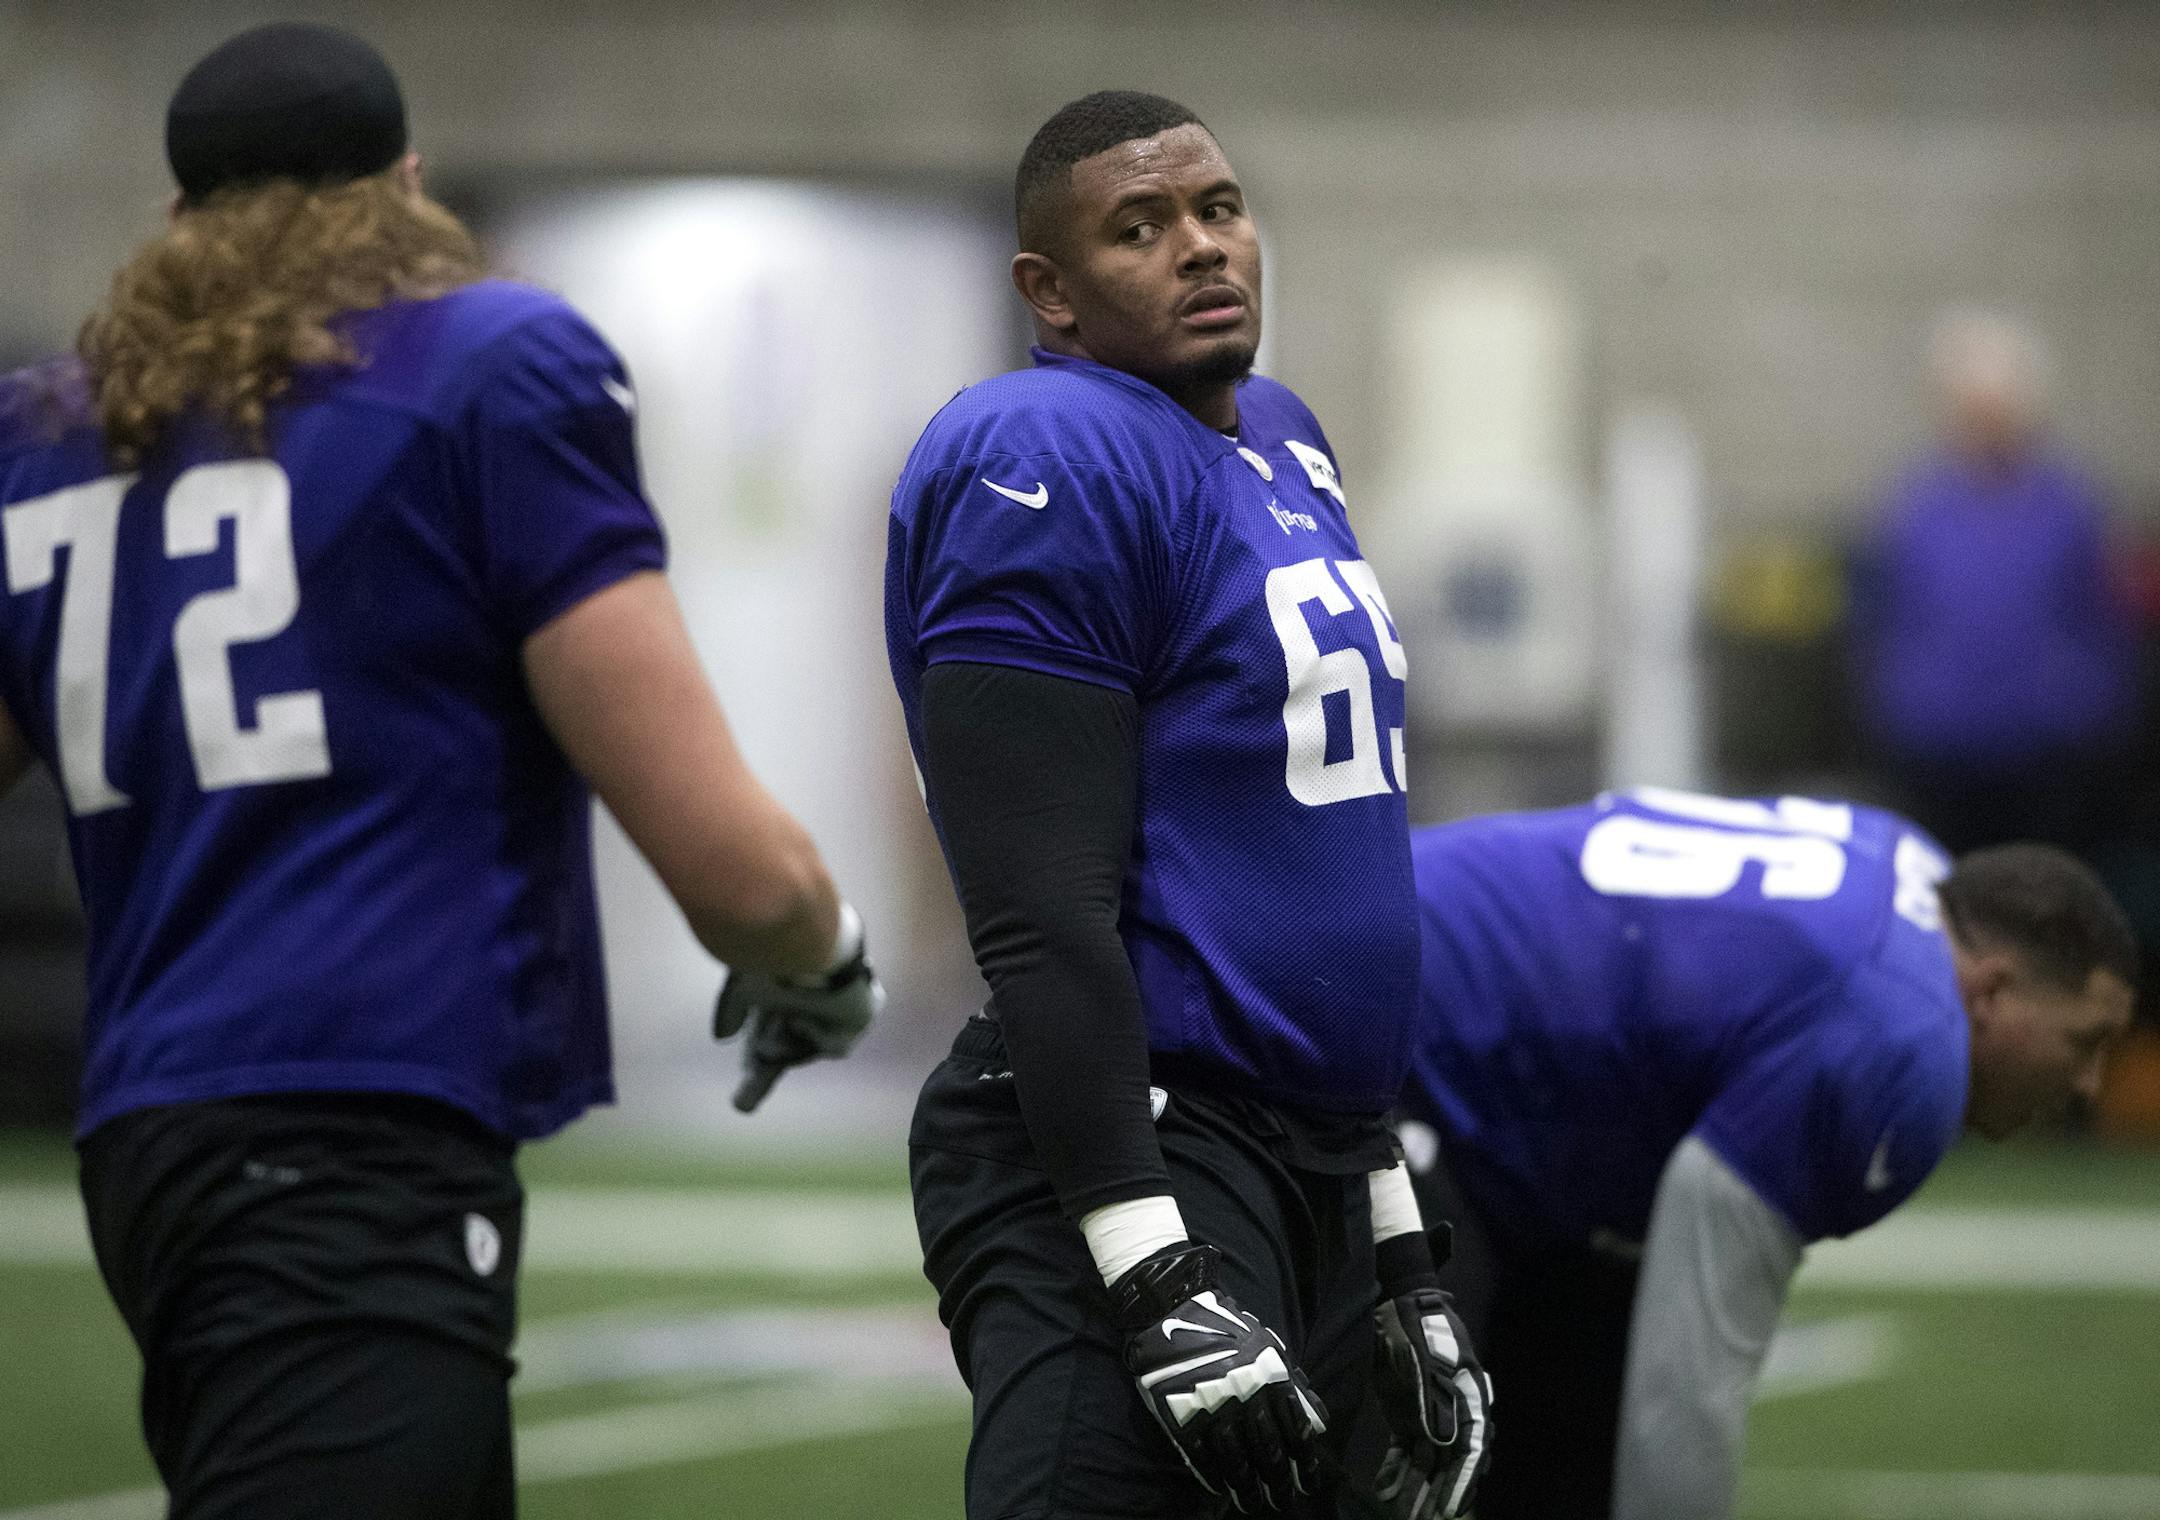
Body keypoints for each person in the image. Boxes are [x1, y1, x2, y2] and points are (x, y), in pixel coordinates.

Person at [0, 23, 879, 1518]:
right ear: (408, 190)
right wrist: (823, 952)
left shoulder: (50, 432)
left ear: (174, 223)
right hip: (350, 1139)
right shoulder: (495, 364)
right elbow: (737, 865)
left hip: (151, 1132)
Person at [886, 91, 1491, 1520]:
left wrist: (1400, 1243)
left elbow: (1329, 873)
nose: (1201, 249)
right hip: (1135, 1140)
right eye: (1139, 228)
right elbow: (1041, 918)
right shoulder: (1042, 451)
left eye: (1217, 209)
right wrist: (1149, 1262)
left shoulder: (1280, 435)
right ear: (1051, 292)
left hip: (1309, 1150)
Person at [1397, 786, 2137, 1520]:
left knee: (1568, 1439)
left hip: (1482, 1056)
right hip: (1388, 1017)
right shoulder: (1902, 1044)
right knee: (1411, 1443)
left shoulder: (1919, 873)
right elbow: (1691, 1380)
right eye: (2085, 1041)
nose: (2088, 1083)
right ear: (1995, 991)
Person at [1850, 311, 2139, 858]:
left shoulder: (2070, 506)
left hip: (2049, 758)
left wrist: (2085, 714)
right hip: (1937, 755)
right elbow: (1882, 616)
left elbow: (2103, 619)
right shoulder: (1914, 507)